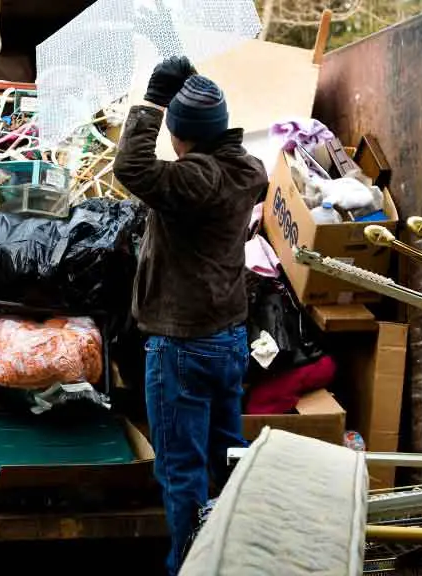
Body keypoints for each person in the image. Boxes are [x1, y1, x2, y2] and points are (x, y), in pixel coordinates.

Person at [113, 56, 269, 575]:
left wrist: (156, 100)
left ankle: (189, 567)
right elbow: (214, 146)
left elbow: (132, 168)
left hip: (182, 347)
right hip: (228, 340)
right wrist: (198, 92)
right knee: (229, 456)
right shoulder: (246, 170)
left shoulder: (194, 181)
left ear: (179, 134)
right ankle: (237, 556)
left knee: (183, 473)